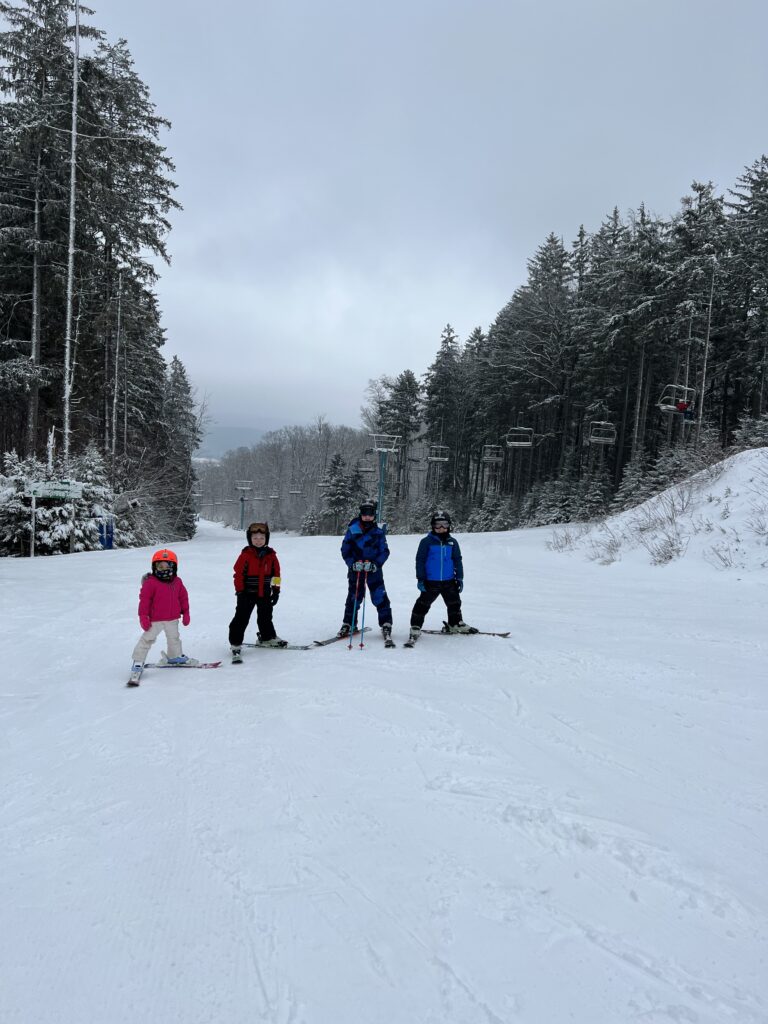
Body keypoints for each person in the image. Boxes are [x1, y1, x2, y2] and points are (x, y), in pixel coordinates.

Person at [408, 511, 476, 642]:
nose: (441, 528)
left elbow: (457, 560)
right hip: (430, 582)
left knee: (455, 603)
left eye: (444, 524)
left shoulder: (452, 542)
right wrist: (421, 579)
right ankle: (415, 626)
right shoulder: (426, 542)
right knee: (422, 604)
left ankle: (455, 624)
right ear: (433, 526)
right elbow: (420, 561)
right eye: (438, 525)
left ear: (449, 525)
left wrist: (460, 578)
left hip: (449, 581)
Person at [131, 548, 196, 673]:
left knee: (174, 638)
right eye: (160, 567)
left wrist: (186, 613)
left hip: (172, 619)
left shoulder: (177, 582)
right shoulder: (150, 583)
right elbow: (144, 601)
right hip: (155, 620)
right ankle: (138, 661)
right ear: (154, 567)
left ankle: (174, 656)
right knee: (147, 640)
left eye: (167, 567)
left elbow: (183, 597)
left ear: (174, 568)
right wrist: (143, 617)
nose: (164, 570)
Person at [338, 499, 393, 641]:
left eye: (370, 513)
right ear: (360, 514)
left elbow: (384, 551)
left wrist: (376, 564)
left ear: (374, 515)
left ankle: (386, 623)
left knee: (379, 596)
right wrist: (352, 564)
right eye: (364, 513)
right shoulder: (353, 530)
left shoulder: (378, 532)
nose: (367, 516)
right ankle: (349, 623)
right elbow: (345, 549)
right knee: (354, 597)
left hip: (373, 571)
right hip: (356, 571)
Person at [229, 521, 285, 656]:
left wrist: (276, 590)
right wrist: (240, 592)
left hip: (264, 593)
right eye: (255, 538)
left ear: (266, 539)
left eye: (261, 538)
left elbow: (276, 574)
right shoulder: (246, 555)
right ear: (250, 539)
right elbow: (238, 575)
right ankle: (235, 643)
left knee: (265, 617)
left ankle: (266, 637)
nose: (258, 541)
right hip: (247, 594)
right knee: (241, 618)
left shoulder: (271, 556)